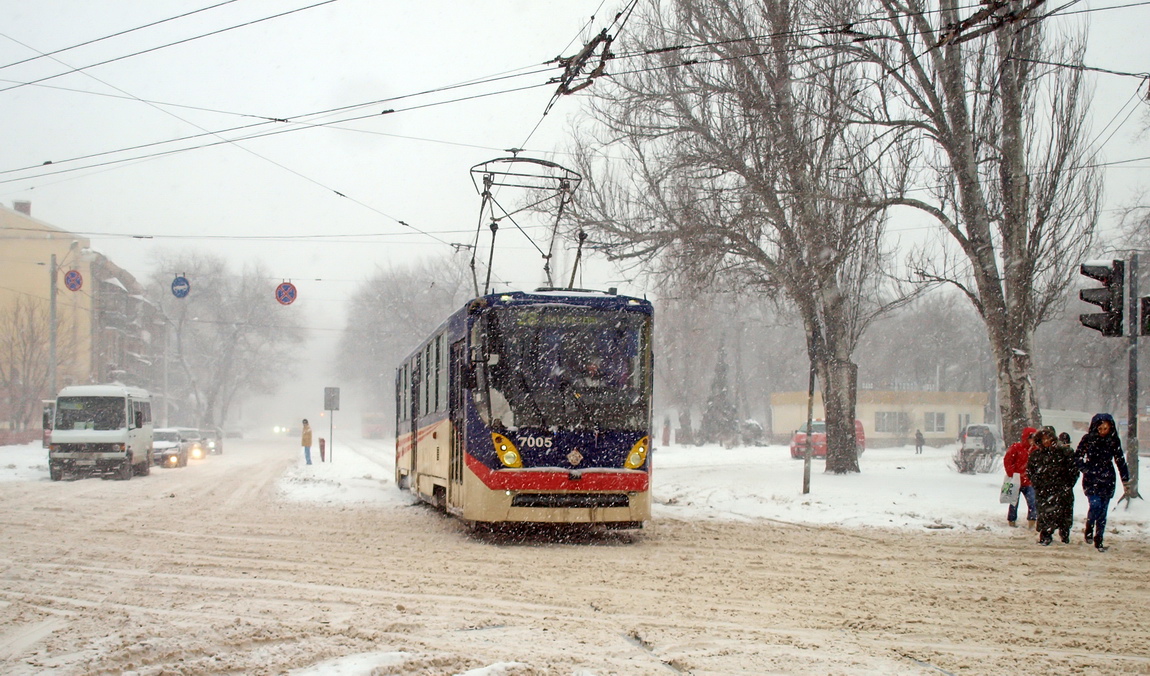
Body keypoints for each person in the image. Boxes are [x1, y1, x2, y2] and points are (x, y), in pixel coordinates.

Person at [1075, 413, 1131, 552]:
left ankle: (1099, 539)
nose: (1103, 431)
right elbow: (1077, 457)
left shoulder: (1113, 441)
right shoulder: (1088, 439)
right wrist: (1085, 468)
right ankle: (1089, 526)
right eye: (1100, 428)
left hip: (1107, 478)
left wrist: (1125, 480)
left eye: (1106, 428)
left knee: (1103, 511)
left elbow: (1120, 461)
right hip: (1091, 478)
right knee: (1095, 505)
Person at [1028, 427, 1078, 546]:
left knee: (1064, 513)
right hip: (1044, 491)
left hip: (1062, 489)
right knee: (1045, 514)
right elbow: (1030, 471)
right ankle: (1046, 535)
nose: (1046, 441)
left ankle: (1064, 534)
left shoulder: (1064, 453)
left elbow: (1073, 470)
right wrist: (1037, 484)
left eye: (1048, 438)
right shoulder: (1036, 455)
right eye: (1043, 439)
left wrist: (1068, 484)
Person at [1003, 426, 1037, 529]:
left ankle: (1032, 521)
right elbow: (1008, 461)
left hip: (1029, 481)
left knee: (1032, 502)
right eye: (1031, 437)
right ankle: (1012, 520)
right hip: (1016, 480)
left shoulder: (1035, 450)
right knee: (1013, 502)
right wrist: (1012, 474)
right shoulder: (1016, 448)